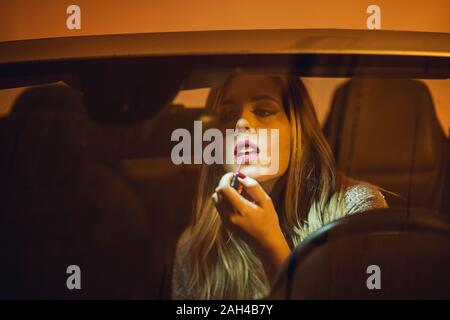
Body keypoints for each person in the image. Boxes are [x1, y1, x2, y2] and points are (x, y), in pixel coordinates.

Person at [171, 73, 388, 299]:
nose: (240, 124)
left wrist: (269, 244)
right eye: (227, 115)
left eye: (264, 111)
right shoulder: (195, 246)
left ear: (298, 130)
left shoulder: (356, 209)